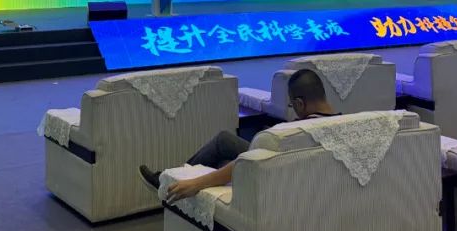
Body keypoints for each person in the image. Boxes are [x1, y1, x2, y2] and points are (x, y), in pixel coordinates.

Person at [139, 68, 336, 203]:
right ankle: (173, 175)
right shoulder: (344, 123)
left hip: (277, 176)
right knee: (226, 140)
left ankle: (169, 181)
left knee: (223, 142)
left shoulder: (291, 133)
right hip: (310, 181)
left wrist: (195, 184)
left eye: (292, 106)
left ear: (300, 103)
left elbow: (247, 162)